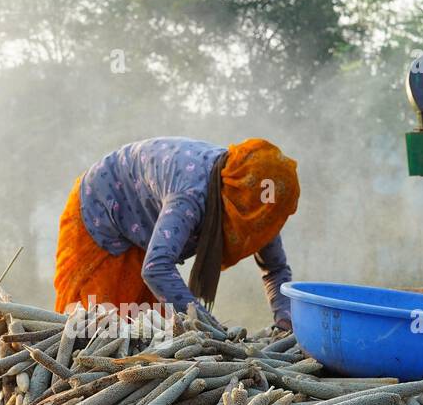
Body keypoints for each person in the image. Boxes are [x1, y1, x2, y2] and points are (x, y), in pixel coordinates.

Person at [53, 137, 299, 331]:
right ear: (243, 202)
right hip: (101, 208)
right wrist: (206, 325)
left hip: (145, 224)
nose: (270, 224)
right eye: (267, 217)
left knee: (148, 327)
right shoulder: (192, 195)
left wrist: (285, 318)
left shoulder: (260, 210)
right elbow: (156, 268)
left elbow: (275, 268)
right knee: (96, 324)